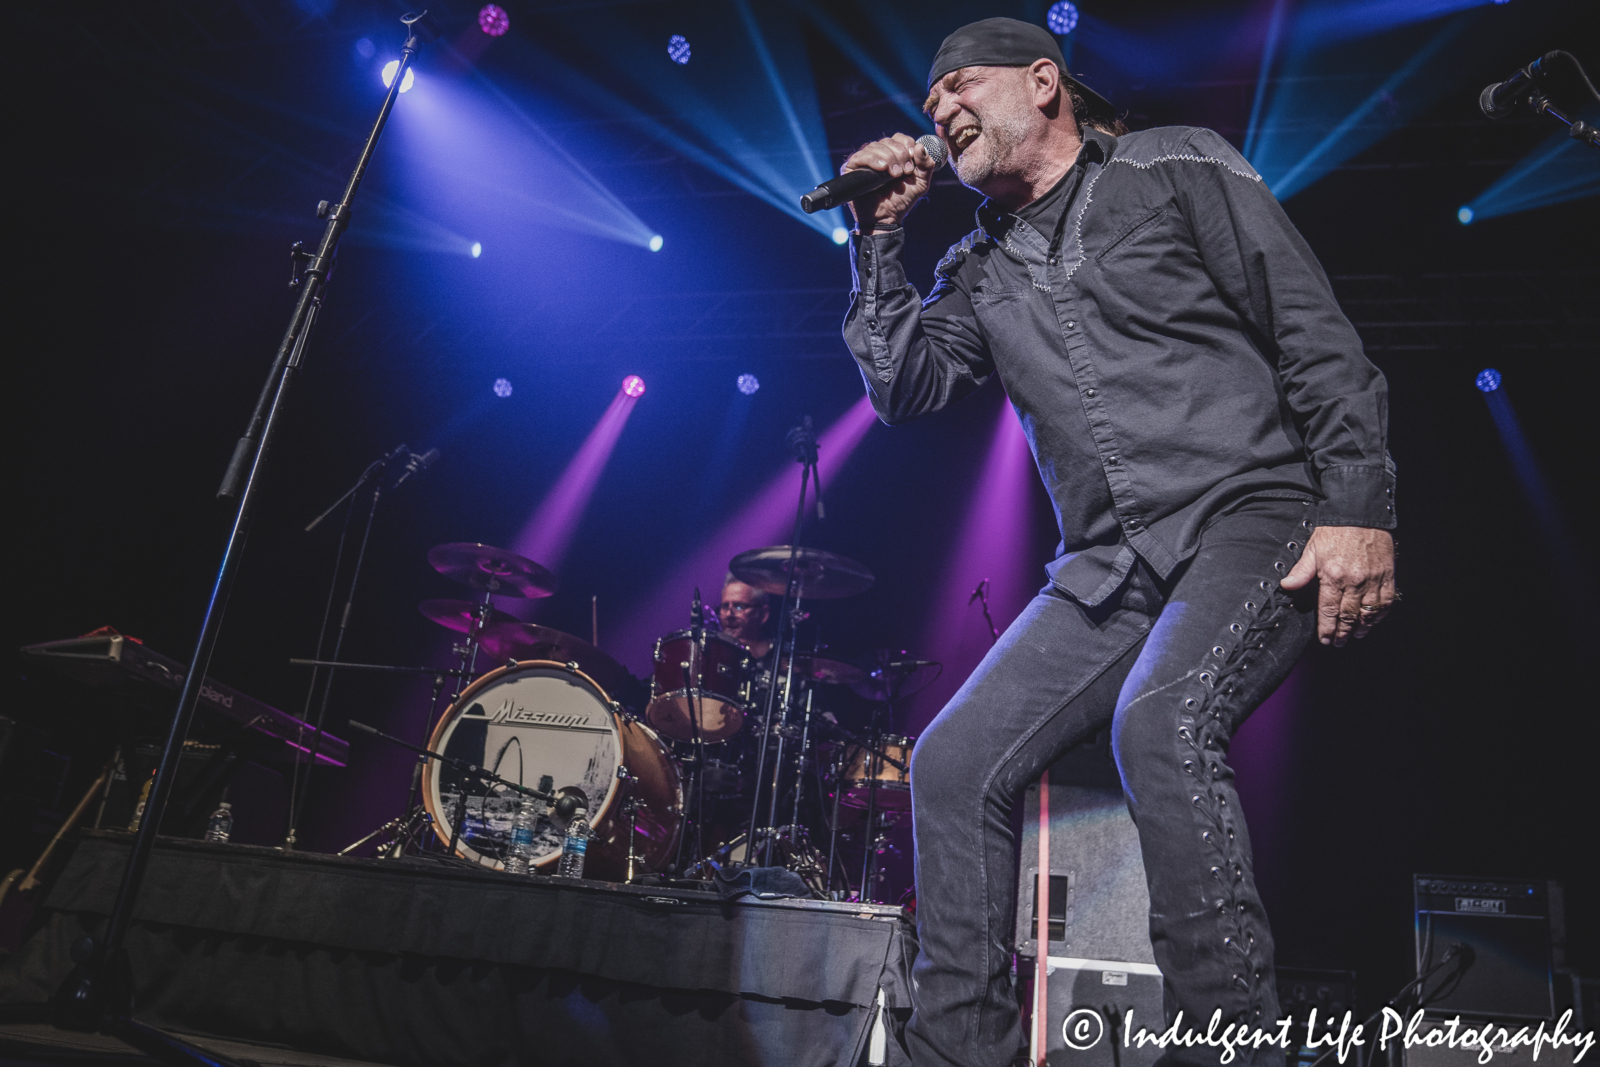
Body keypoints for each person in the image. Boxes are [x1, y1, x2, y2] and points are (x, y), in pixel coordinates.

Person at [838, 17, 1397, 1067]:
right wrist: (875, 238)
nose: (942, 111)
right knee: (953, 762)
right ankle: (957, 1048)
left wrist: (1358, 502)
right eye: (929, 106)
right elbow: (905, 388)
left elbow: (1309, 329)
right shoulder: (976, 266)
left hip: (1252, 515)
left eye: (961, 87)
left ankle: (1226, 1045)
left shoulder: (1172, 164)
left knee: (1161, 724)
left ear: (1043, 82)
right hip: (1109, 563)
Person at [717, 575, 774, 661]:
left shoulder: (783, 656)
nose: (729, 614)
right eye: (725, 606)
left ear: (763, 614)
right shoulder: (712, 652)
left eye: (739, 607)